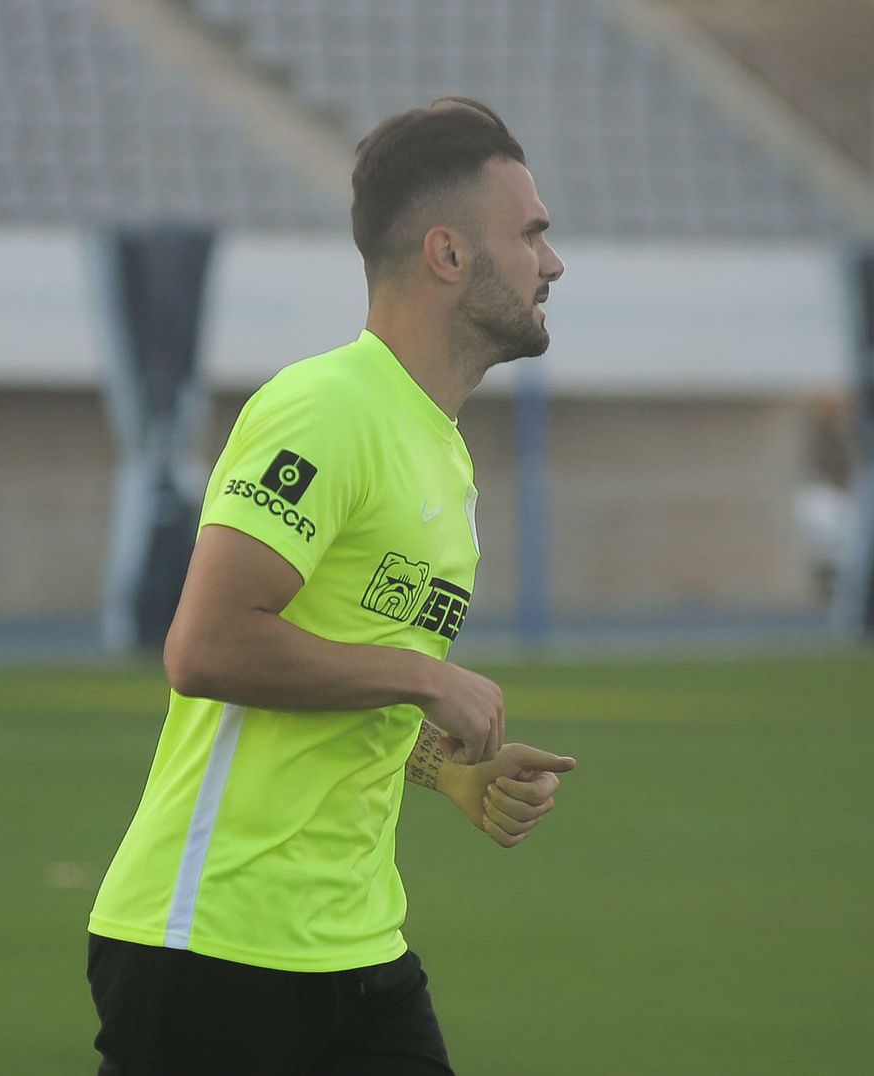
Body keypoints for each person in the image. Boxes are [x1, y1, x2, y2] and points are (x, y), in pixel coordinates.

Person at [87, 97, 575, 1074]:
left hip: (356, 943)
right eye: (530, 235)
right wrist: (426, 677)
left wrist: (446, 769)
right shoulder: (323, 408)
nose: (551, 264)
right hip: (215, 940)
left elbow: (339, 676)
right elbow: (206, 645)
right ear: (447, 253)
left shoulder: (442, 454)